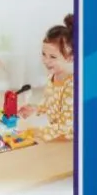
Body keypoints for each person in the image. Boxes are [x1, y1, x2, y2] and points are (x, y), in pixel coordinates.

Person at [28, 12, 76, 140]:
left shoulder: (72, 87)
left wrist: (38, 132)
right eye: (44, 54)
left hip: (69, 138)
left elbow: (67, 128)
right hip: (54, 129)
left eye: (53, 57)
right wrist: (34, 109)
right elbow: (47, 102)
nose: (46, 61)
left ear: (70, 57)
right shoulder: (52, 77)